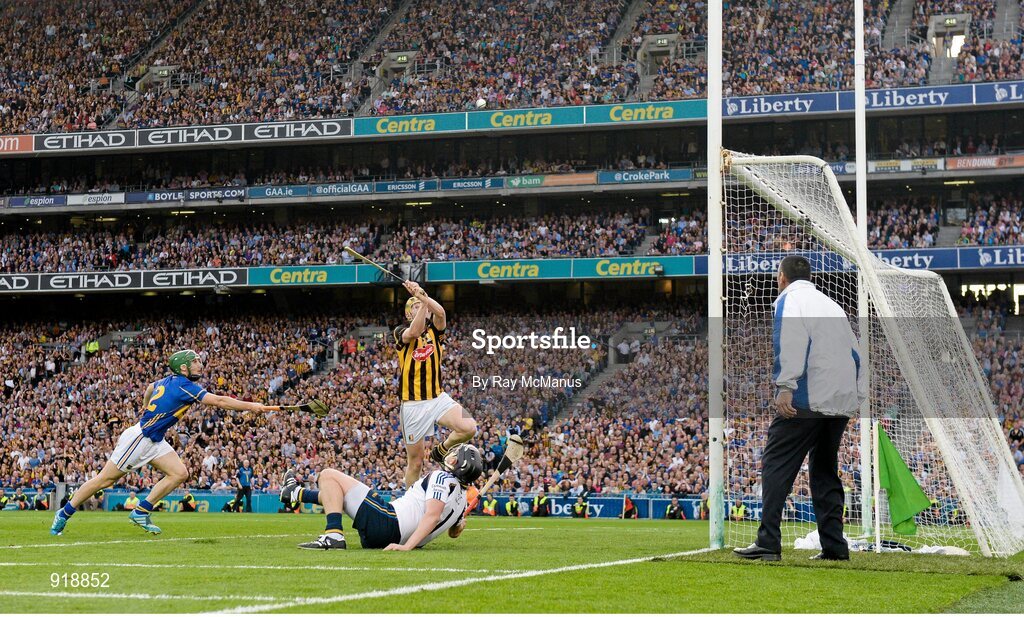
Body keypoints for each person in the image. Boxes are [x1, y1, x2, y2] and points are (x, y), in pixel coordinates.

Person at [50, 349, 275, 536]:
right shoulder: (186, 386)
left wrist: (146, 405)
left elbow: (150, 388)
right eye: (194, 362)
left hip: (155, 440)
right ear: (183, 368)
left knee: (179, 473)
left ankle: (140, 512)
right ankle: (64, 514)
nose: (200, 364)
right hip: (140, 438)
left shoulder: (168, 381)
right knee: (104, 480)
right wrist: (251, 405)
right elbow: (218, 401)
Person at [734, 256, 866, 562]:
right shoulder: (833, 305)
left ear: (781, 277)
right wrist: (856, 395)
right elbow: (856, 353)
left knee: (776, 463)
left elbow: (791, 341)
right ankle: (834, 546)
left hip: (808, 398)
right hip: (840, 401)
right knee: (824, 471)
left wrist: (786, 386)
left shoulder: (790, 300)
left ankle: (768, 541)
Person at [280, 444, 484, 550]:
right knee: (338, 490)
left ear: (459, 463)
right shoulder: (461, 498)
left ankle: (333, 535)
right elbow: (453, 533)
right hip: (388, 528)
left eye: (456, 456)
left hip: (389, 522)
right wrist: (459, 525)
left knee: (328, 475)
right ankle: (296, 493)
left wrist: (407, 547)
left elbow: (432, 515)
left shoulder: (442, 477)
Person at [393, 280, 477, 487]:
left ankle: (441, 450)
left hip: (438, 398)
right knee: (416, 462)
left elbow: (441, 313)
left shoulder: (435, 333)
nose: (422, 308)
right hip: (412, 405)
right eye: (414, 307)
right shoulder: (399, 332)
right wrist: (422, 300)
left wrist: (422, 296)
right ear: (408, 314)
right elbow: (414, 332)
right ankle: (410, 503)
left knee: (469, 426)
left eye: (421, 306)